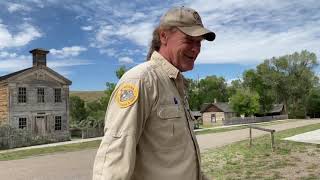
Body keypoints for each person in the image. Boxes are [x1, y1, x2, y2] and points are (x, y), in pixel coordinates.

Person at [93, 6, 215, 180]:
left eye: (199, 42)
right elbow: (113, 160)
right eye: (189, 40)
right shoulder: (141, 80)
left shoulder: (175, 84)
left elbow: (177, 161)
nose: (196, 49)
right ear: (164, 36)